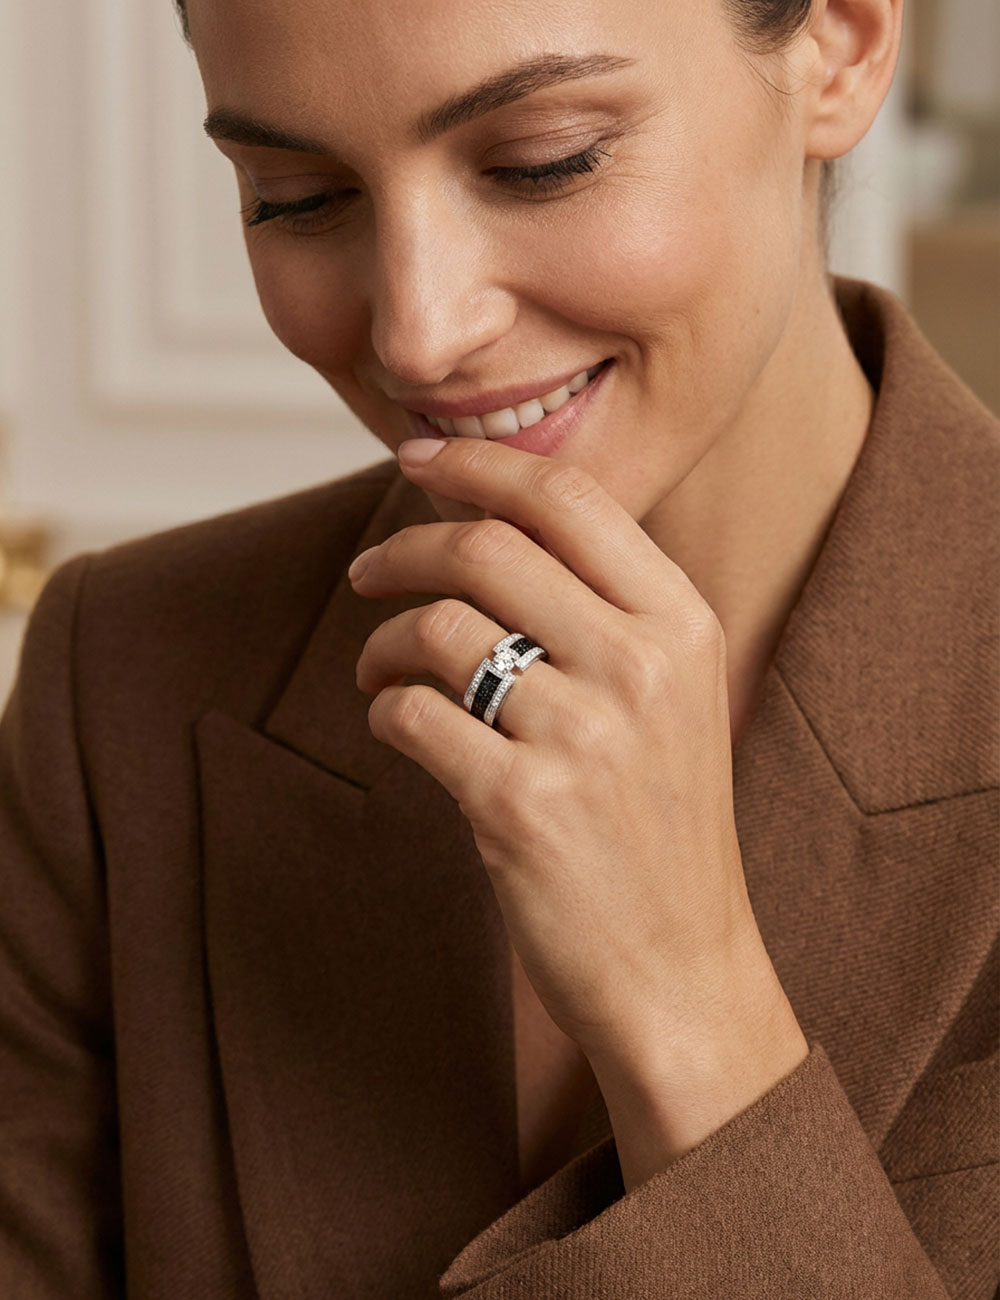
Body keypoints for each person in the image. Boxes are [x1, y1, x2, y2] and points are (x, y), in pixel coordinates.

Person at [0, 0, 996, 1295]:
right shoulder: (127, 681)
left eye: (544, 159)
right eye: (296, 195)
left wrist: (694, 1018)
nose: (419, 328)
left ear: (847, 44)